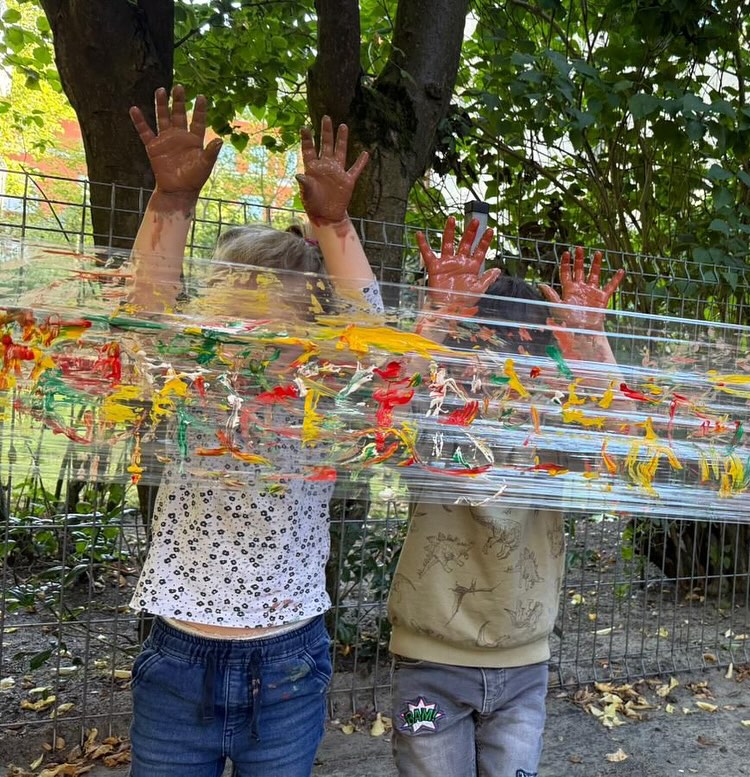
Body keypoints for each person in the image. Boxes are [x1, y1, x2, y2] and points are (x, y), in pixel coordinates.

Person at [125, 85, 380, 777]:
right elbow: (144, 312)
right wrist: (171, 202)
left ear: (309, 332)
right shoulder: (184, 393)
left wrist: (334, 226)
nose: (244, 339)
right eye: (228, 317)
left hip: (288, 665)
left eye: (268, 322)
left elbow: (373, 339)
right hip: (178, 660)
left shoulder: (320, 401)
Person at [387, 215, 625, 777]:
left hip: (523, 667)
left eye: (526, 353)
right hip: (431, 658)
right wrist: (435, 323)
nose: (499, 371)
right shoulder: (434, 421)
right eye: (482, 352)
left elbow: (625, 445)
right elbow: (381, 411)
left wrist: (594, 348)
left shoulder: (557, 432)